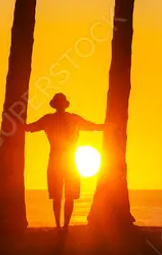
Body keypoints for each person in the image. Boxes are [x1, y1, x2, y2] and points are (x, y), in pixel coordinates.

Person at [24, 93, 105, 231]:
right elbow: (93, 127)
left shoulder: (53, 119)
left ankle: (62, 226)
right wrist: (108, 127)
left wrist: (107, 126)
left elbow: (93, 127)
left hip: (62, 160)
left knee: (66, 196)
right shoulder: (64, 119)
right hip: (64, 160)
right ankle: (61, 226)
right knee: (62, 196)